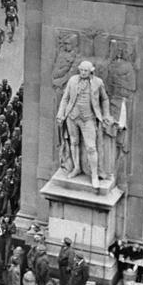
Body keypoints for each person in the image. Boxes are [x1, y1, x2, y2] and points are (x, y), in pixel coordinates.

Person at [56, 61, 111, 189]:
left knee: (91, 147)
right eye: (81, 70)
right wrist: (60, 113)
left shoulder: (98, 82)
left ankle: (94, 175)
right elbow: (65, 98)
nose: (83, 73)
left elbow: (105, 99)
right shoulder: (72, 80)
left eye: (85, 71)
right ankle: (76, 168)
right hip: (72, 117)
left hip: (88, 119)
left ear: (91, 71)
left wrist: (106, 114)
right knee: (74, 143)